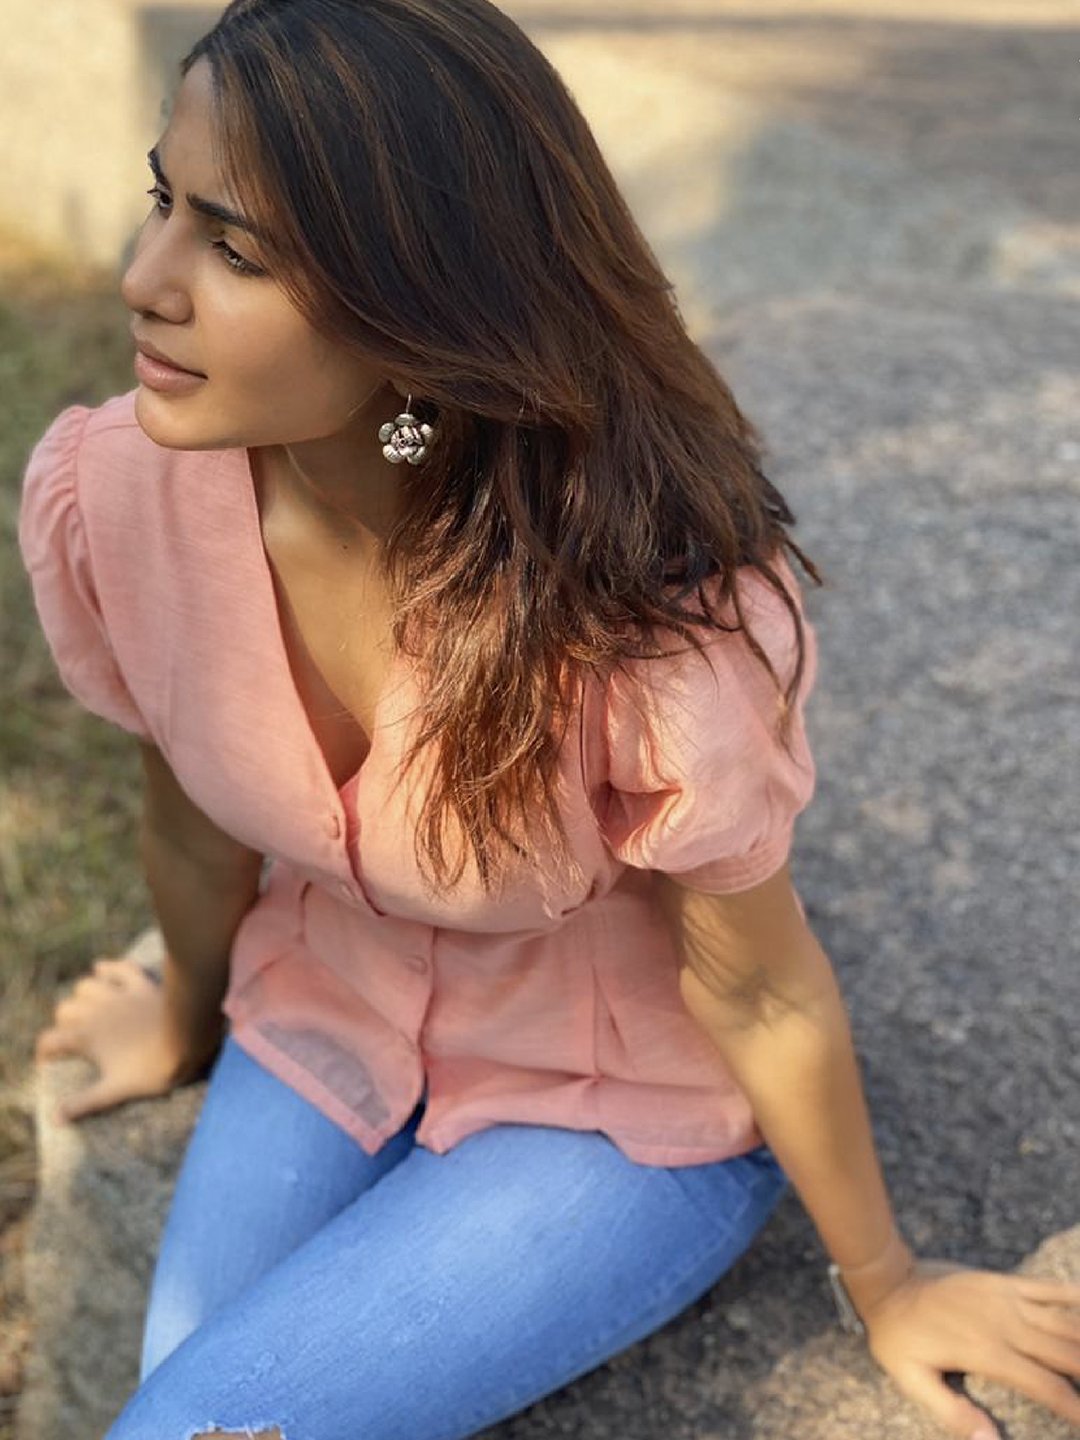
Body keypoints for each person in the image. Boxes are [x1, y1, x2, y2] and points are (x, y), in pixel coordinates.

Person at [17, 3, 1080, 1439]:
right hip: (324, 1009)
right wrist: (182, 1019)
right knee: (187, 1406)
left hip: (609, 1106)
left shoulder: (642, 627)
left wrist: (889, 1286)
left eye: (236, 250)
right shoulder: (123, 494)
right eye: (164, 202)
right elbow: (194, 829)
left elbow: (761, 990)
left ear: (420, 307)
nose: (144, 278)